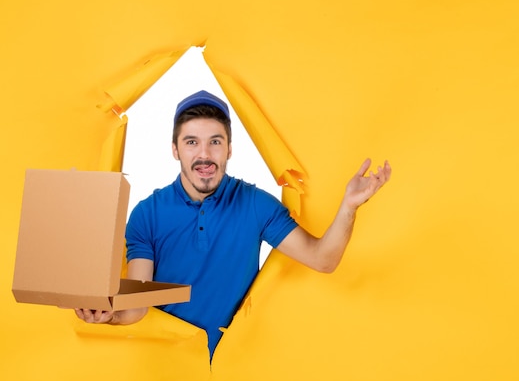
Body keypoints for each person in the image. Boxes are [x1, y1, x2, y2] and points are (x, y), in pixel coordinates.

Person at [75, 90, 392, 358]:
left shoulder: (255, 204)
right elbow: (137, 306)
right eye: (191, 142)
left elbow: (323, 259)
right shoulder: (147, 214)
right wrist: (110, 316)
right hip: (167, 369)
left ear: (229, 149)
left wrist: (349, 207)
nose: (204, 155)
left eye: (215, 142)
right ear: (175, 150)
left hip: (237, 372)